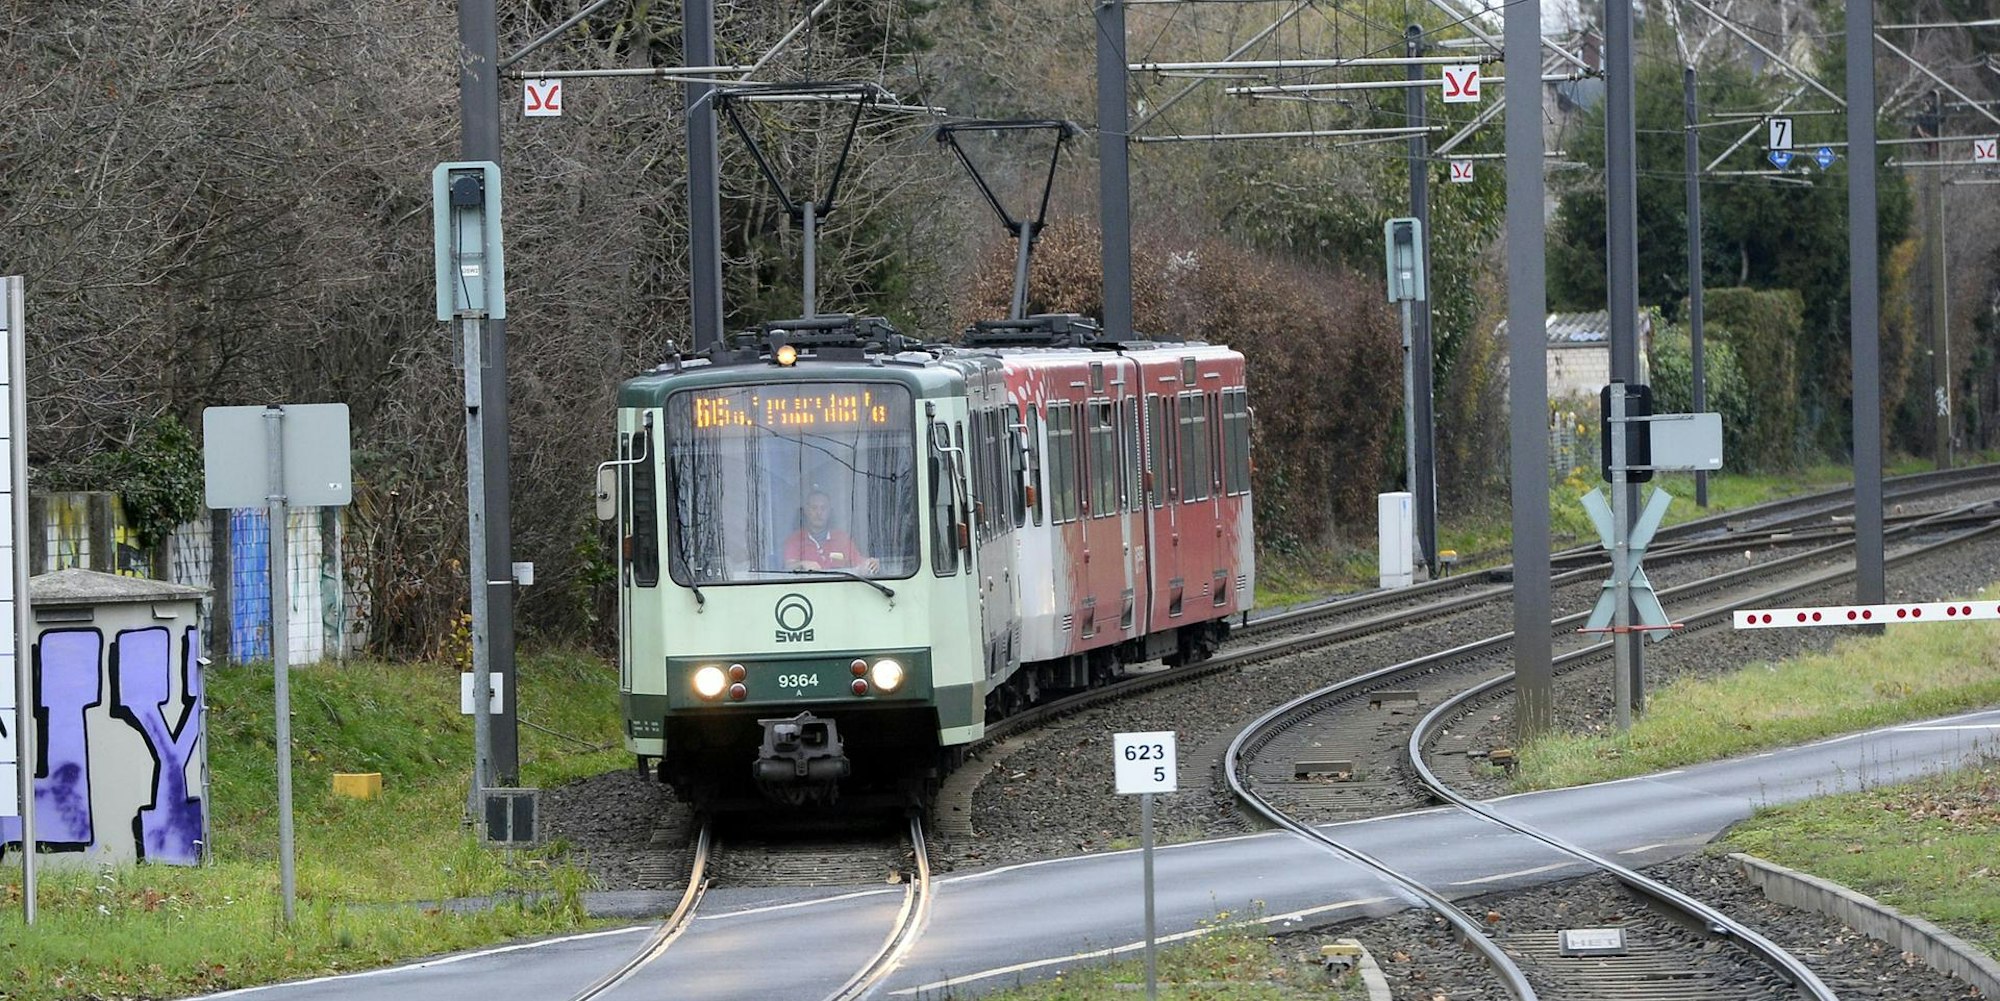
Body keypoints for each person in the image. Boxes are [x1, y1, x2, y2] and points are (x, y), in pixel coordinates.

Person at [784, 489, 879, 573]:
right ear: (806, 511)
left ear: (829, 511)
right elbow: (787, 567)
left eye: (823, 508)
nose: (819, 513)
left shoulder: (842, 538)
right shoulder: (795, 539)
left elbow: (859, 562)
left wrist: (871, 563)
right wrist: (802, 564)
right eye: (814, 508)